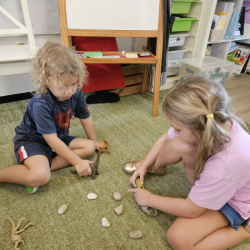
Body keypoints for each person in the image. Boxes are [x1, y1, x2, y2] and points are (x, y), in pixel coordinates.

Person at [124, 76, 250, 250]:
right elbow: (164, 139)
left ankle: (245, 229)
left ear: (201, 129)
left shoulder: (226, 164)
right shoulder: (211, 121)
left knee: (179, 238)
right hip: (222, 178)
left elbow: (191, 209)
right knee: (179, 144)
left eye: (178, 128)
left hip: (234, 201)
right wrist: (145, 165)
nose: (173, 131)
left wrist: (150, 199)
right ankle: (156, 168)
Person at [0, 41, 104, 193]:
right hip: (33, 141)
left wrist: (94, 141)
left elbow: (86, 118)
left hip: (58, 139)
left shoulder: (76, 93)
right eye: (63, 86)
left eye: (74, 84)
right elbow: (51, 140)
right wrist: (77, 162)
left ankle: (45, 165)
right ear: (46, 80)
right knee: (40, 177)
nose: (69, 91)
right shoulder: (40, 103)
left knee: (88, 147)